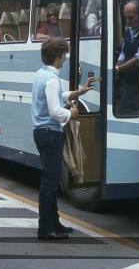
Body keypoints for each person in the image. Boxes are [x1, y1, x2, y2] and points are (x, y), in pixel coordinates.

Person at [31, 37, 95, 240]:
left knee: (51, 179)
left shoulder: (41, 74)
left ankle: (53, 221)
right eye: (64, 55)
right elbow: (55, 111)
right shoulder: (51, 79)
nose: (65, 58)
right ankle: (45, 227)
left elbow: (58, 96)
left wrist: (79, 92)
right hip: (51, 133)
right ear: (57, 56)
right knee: (50, 182)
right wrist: (71, 115)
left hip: (41, 132)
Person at [115, 0, 139, 116]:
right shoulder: (129, 31)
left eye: (131, 18)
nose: (128, 22)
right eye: (126, 18)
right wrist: (118, 64)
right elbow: (123, 52)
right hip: (127, 85)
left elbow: (138, 60)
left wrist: (117, 70)